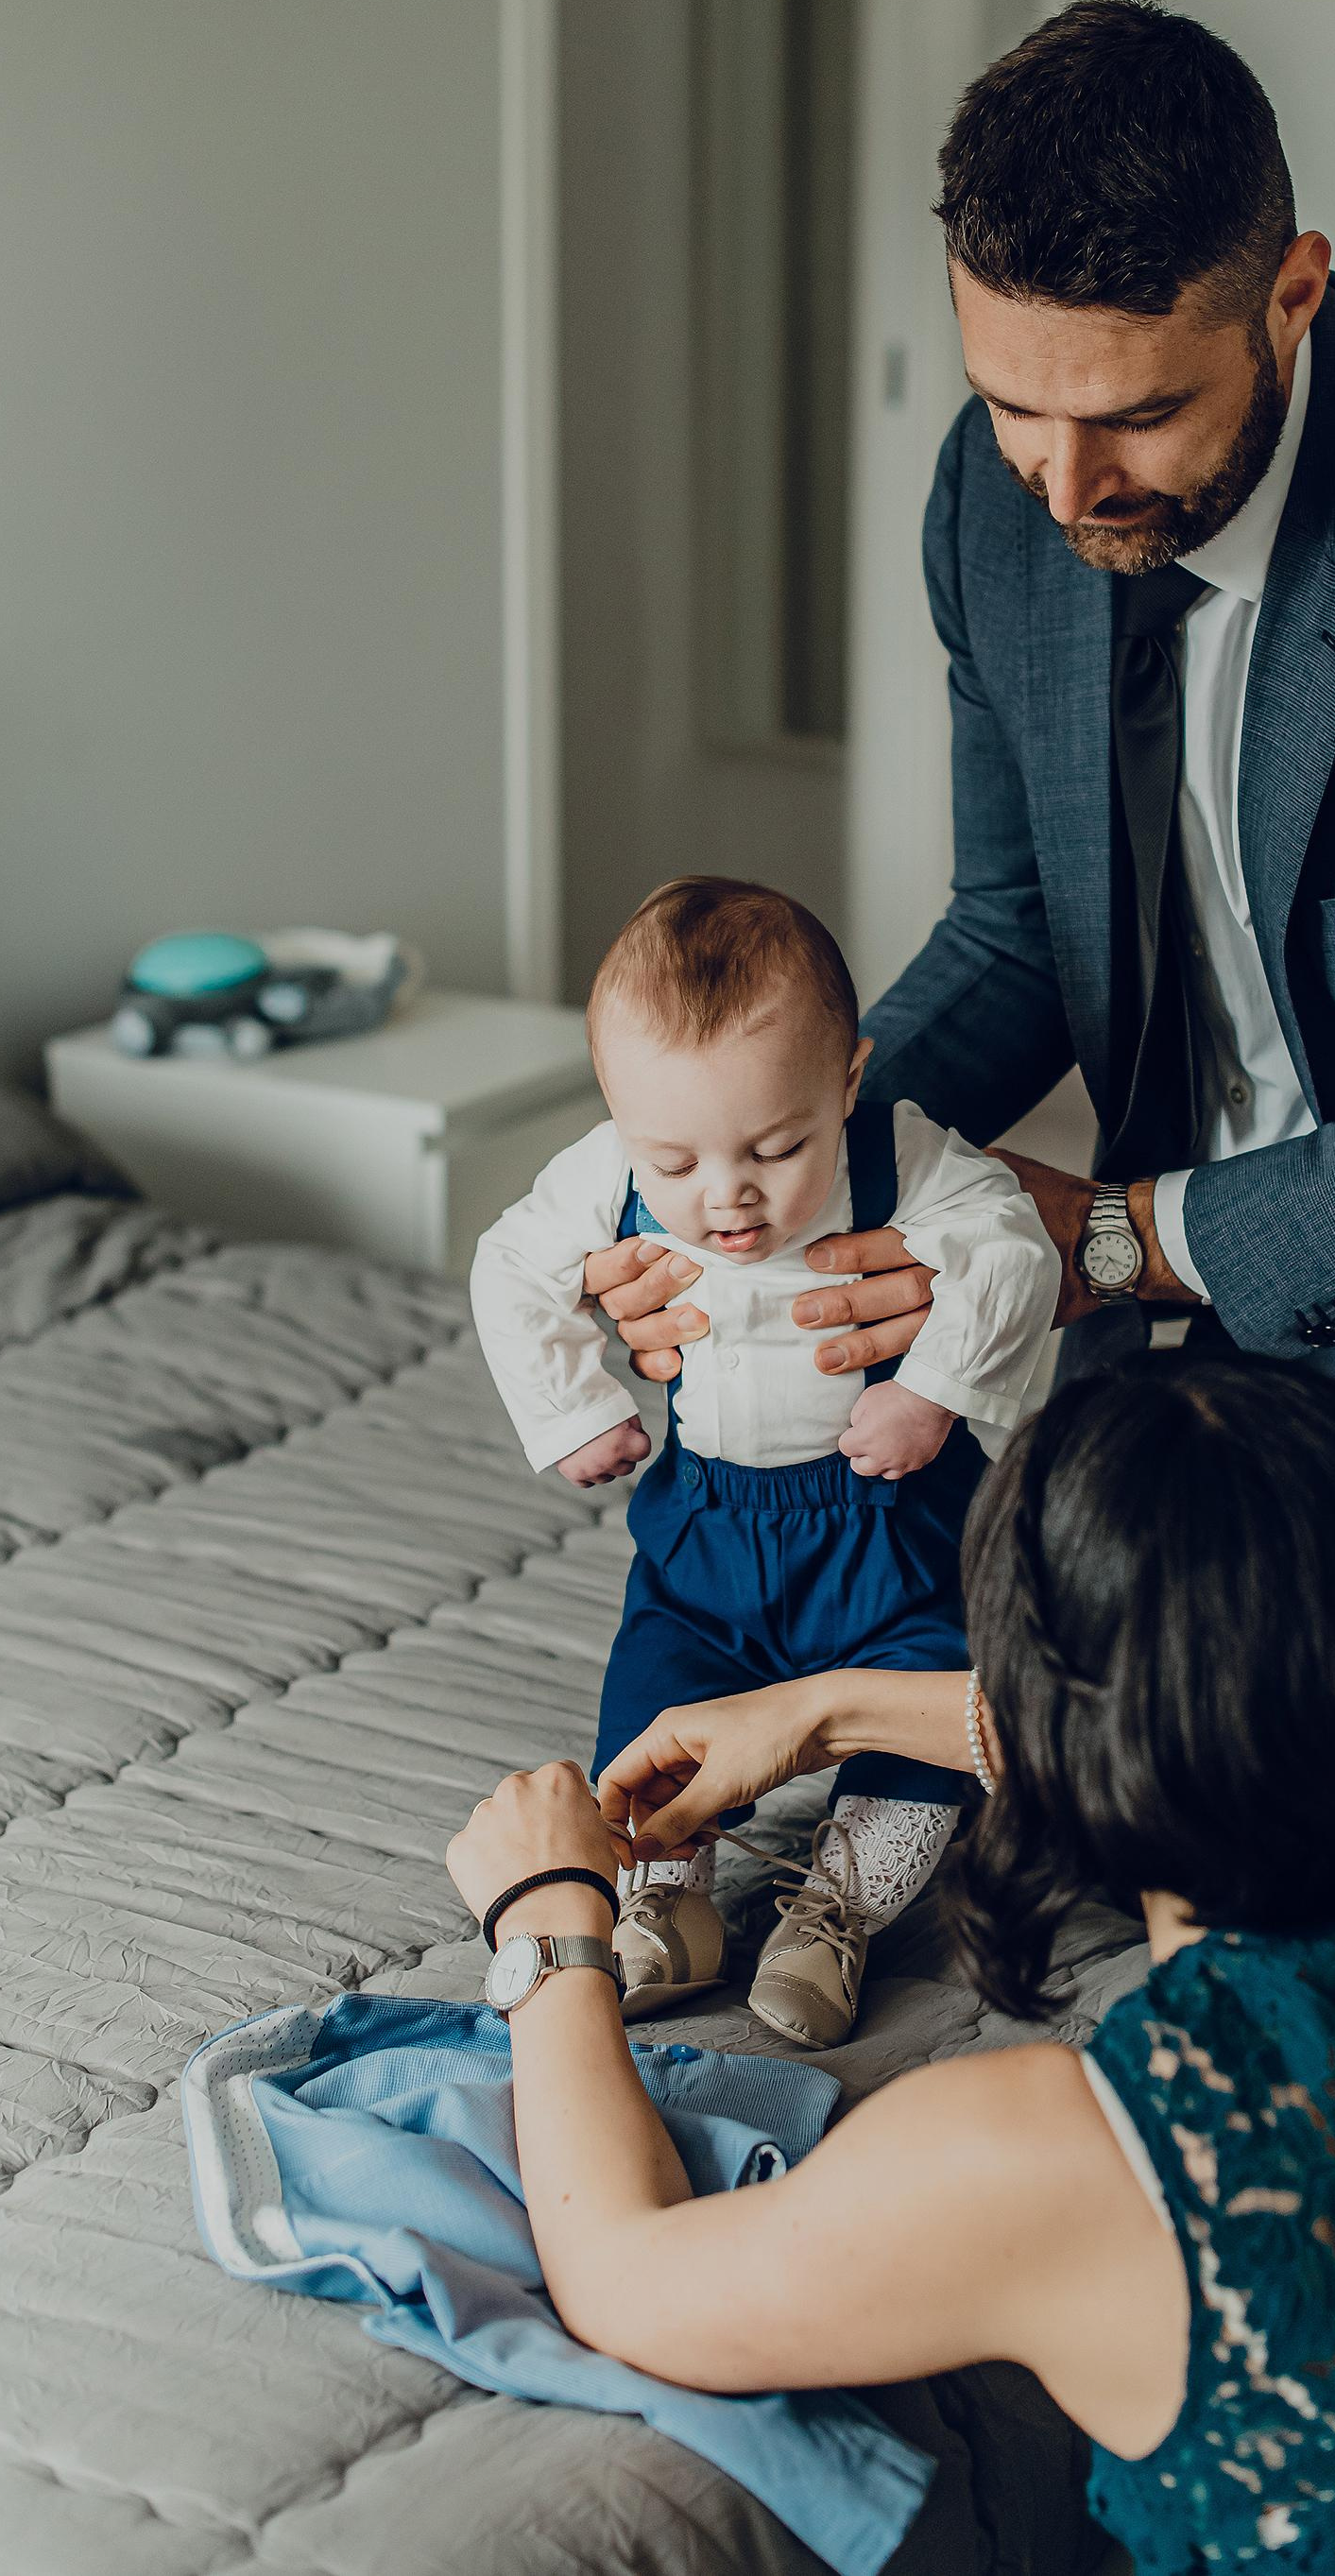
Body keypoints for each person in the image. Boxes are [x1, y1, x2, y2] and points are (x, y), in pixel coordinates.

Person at [587, 0, 1335, 1884]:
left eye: (1135, 415)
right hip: (1201, 1336)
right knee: (1092, 1809)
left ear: (1292, 296)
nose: (1063, 486)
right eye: (1012, 405)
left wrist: (1109, 1238)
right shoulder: (996, 502)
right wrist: (741, 1181)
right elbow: (1015, 934)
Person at [446, 1359, 1335, 2576]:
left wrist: (546, 1920)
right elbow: (1324, 1724)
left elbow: (627, 2278)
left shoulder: (1067, 2148)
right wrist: (829, 1705)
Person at [470, 876, 1056, 2044]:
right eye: (672, 1162)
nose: (725, 1195)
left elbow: (1011, 1248)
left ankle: (835, 1912)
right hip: (708, 1527)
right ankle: (668, 1900)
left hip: (888, 1521)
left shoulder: (898, 1155)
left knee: (922, 1694)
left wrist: (930, 1391)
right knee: (654, 1686)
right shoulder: (605, 1170)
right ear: (618, 1115)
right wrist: (573, 1406)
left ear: (846, 1081)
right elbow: (510, 1266)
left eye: (778, 1147)